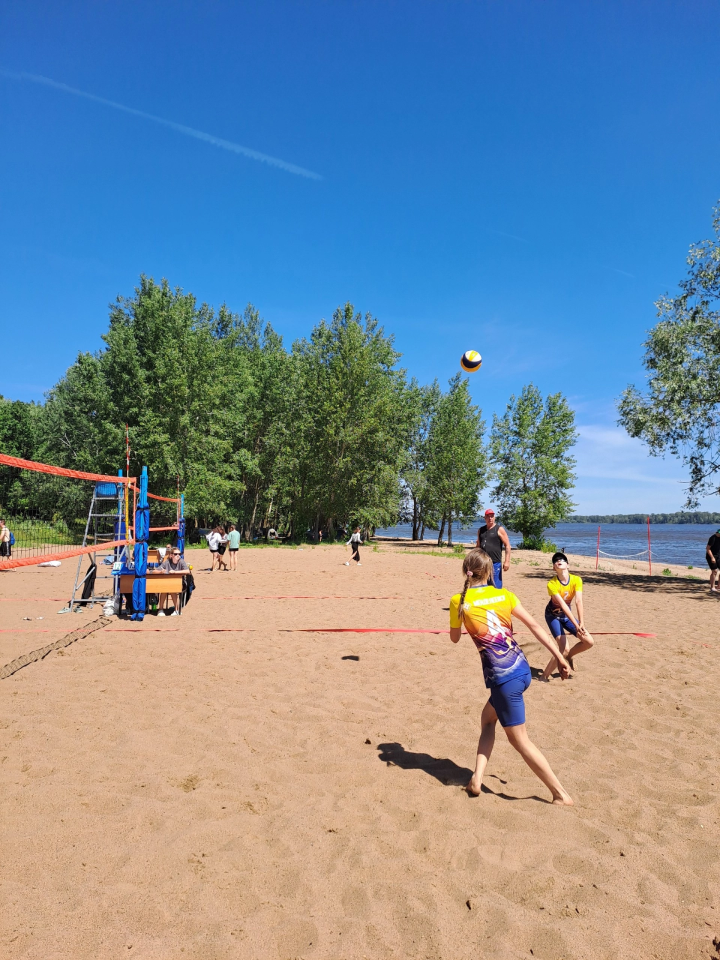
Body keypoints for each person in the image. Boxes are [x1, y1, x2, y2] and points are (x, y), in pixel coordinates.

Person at [449, 548, 573, 805]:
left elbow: (453, 638)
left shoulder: (458, 601)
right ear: (490, 572)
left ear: (467, 571)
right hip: (522, 670)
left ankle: (560, 794)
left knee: (520, 741)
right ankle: (477, 779)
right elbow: (536, 627)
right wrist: (560, 657)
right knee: (487, 720)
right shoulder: (505, 595)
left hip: (505, 680)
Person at [541, 552, 594, 681]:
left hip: (566, 616)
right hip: (553, 616)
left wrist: (581, 622)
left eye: (562, 560)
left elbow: (578, 601)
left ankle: (569, 656)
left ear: (568, 565)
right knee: (563, 649)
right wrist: (576, 625)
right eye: (556, 561)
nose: (559, 561)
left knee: (589, 642)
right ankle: (544, 676)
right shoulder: (552, 584)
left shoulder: (577, 580)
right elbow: (563, 605)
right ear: (554, 567)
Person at [476, 509, 511, 588]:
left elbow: (507, 545)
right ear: (485, 518)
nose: (490, 518)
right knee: (483, 584)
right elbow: (478, 546)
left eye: (492, 516)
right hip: (483, 563)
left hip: (495, 562)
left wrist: (507, 561)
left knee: (496, 586)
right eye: (488, 517)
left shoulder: (499, 529)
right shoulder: (481, 530)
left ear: (494, 518)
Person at [158, 548, 190, 616]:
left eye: (179, 554)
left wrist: (175, 572)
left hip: (180, 583)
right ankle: (160, 609)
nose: (178, 555)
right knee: (163, 589)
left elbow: (187, 571)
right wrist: (161, 571)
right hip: (167, 582)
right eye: (176, 554)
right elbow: (157, 570)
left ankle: (176, 610)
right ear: (171, 555)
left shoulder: (181, 561)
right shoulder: (167, 562)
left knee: (172, 589)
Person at [706, 529, 720, 593]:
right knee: (714, 571)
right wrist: (712, 557)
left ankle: (719, 586)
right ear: (717, 533)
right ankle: (712, 587)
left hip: (718, 556)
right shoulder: (713, 538)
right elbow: (708, 548)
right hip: (711, 556)